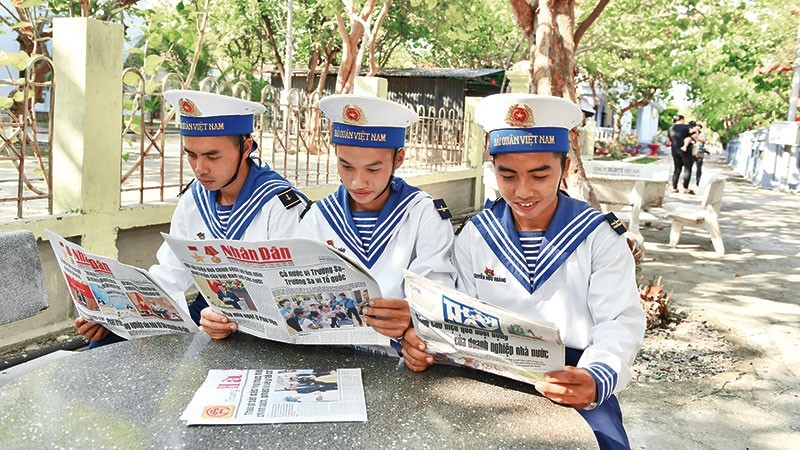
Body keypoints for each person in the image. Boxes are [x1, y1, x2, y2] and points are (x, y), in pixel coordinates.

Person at [399, 94, 646, 449]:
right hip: (489, 373)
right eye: (507, 175)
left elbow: (619, 321)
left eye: (540, 174)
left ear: (564, 166)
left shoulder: (597, 235)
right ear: (493, 169)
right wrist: (423, 344)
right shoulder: (476, 234)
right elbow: (455, 314)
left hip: (572, 373)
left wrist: (595, 377)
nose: (523, 191)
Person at [74, 90, 307, 346]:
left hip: (265, 322)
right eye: (191, 155)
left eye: (212, 156)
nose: (200, 169)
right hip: (209, 309)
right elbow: (170, 275)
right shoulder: (194, 200)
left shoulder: (278, 204)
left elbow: (291, 299)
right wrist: (113, 310)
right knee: (109, 337)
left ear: (246, 147)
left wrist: (230, 319)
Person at [296, 94, 457, 344]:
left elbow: (439, 291)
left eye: (373, 169)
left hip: (400, 355)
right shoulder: (318, 217)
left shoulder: (423, 213)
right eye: (346, 166)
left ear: (399, 159)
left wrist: (415, 316)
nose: (358, 182)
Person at [666, 115, 697, 194]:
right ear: (682, 119)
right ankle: (685, 188)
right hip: (685, 151)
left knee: (677, 169)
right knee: (687, 169)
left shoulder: (670, 128)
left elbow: (668, 140)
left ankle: (674, 187)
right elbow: (694, 135)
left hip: (674, 150)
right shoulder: (686, 127)